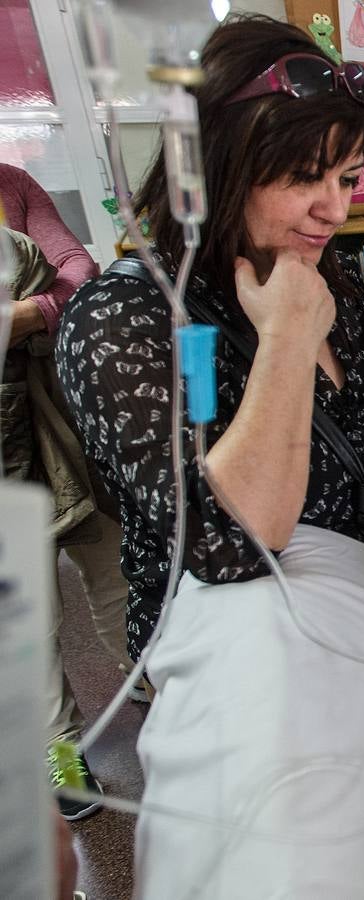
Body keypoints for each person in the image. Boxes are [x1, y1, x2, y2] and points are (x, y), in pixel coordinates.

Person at [57, 15, 364, 665]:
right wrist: (286, 340)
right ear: (215, 165)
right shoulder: (121, 321)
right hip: (253, 666)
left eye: (349, 178)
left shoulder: (342, 287)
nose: (334, 209)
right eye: (305, 176)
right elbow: (233, 545)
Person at [2, 165, 134, 820]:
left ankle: (146, 681)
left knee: (110, 565)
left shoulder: (13, 184)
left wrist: (32, 311)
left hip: (56, 421)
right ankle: (59, 749)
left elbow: (78, 272)